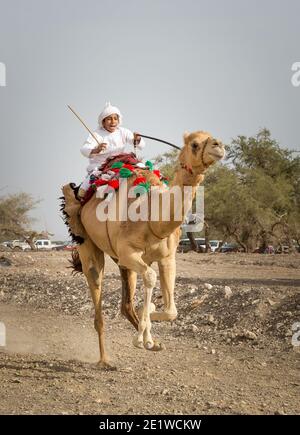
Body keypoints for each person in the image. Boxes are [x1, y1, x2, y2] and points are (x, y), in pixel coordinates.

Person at [78, 102, 145, 198]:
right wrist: (96, 150)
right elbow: (84, 149)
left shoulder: (123, 131)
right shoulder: (96, 134)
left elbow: (139, 144)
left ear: (118, 120)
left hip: (120, 162)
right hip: (100, 165)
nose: (113, 122)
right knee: (83, 191)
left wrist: (137, 139)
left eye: (115, 118)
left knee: (141, 167)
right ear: (103, 121)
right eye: (109, 119)